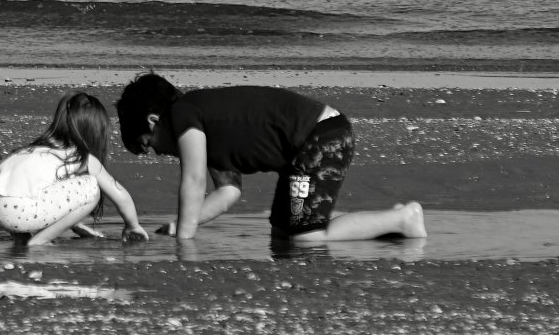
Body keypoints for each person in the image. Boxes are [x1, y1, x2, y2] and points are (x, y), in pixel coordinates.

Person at [115, 72, 427, 242]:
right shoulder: (205, 126)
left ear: (154, 121)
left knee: (306, 237)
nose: (158, 153)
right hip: (305, 150)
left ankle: (404, 219)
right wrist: (178, 225)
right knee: (283, 232)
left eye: (148, 145)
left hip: (320, 138)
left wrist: (184, 239)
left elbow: (194, 181)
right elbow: (227, 192)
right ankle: (390, 222)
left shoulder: (183, 114)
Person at [0, 91, 150, 247]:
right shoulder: (82, 158)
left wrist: (74, 224)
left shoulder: (29, 151)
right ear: (94, 133)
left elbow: (56, 200)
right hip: (17, 210)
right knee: (92, 189)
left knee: (26, 195)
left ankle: (21, 241)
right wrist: (133, 225)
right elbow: (120, 195)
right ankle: (39, 242)